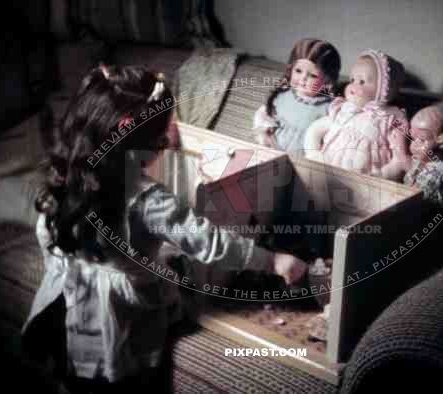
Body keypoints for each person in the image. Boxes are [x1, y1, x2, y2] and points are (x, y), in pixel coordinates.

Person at [22, 63, 307, 392]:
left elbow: (52, 238)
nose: (168, 140)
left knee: (71, 374)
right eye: (164, 133)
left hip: (66, 297)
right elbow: (210, 241)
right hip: (117, 318)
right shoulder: (149, 198)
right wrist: (272, 261)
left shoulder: (69, 176)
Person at [304, 49, 410, 181]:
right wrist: (313, 153)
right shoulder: (343, 110)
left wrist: (383, 176)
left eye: (362, 81)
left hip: (366, 181)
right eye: (352, 79)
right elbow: (316, 129)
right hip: (326, 172)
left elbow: (398, 158)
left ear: (383, 89)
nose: (353, 86)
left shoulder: (389, 119)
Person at [253, 38, 341, 158]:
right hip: (272, 151)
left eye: (313, 75)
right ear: (291, 69)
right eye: (298, 71)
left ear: (327, 81)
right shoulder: (283, 96)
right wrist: (264, 133)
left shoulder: (329, 107)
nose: (303, 78)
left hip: (303, 162)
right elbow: (264, 115)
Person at [391, 104, 443, 211]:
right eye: (413, 138)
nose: (414, 145)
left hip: (429, 216)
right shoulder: (416, 163)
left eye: (422, 140)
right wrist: (399, 130)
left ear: (442, 141)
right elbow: (402, 156)